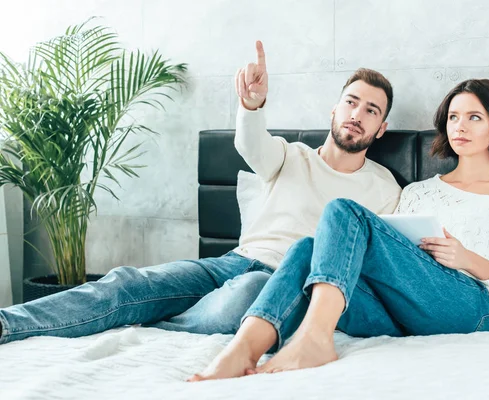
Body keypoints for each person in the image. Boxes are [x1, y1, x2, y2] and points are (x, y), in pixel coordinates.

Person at [0, 41, 401, 344]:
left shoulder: (383, 187)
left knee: (243, 296)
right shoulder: (289, 155)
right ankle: (9, 324)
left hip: (283, 284)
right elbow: (251, 144)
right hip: (231, 263)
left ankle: (149, 323)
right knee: (127, 282)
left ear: (380, 128)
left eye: (371, 110)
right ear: (334, 110)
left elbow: (374, 261)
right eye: (351, 102)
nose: (356, 115)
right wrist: (252, 104)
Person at [189, 78, 489, 382]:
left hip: (469, 307)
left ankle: (315, 337)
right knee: (306, 248)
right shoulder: (418, 192)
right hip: (399, 313)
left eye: (473, 117)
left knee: (343, 211)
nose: (460, 127)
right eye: (453, 117)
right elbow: (391, 258)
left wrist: (466, 258)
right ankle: (244, 348)